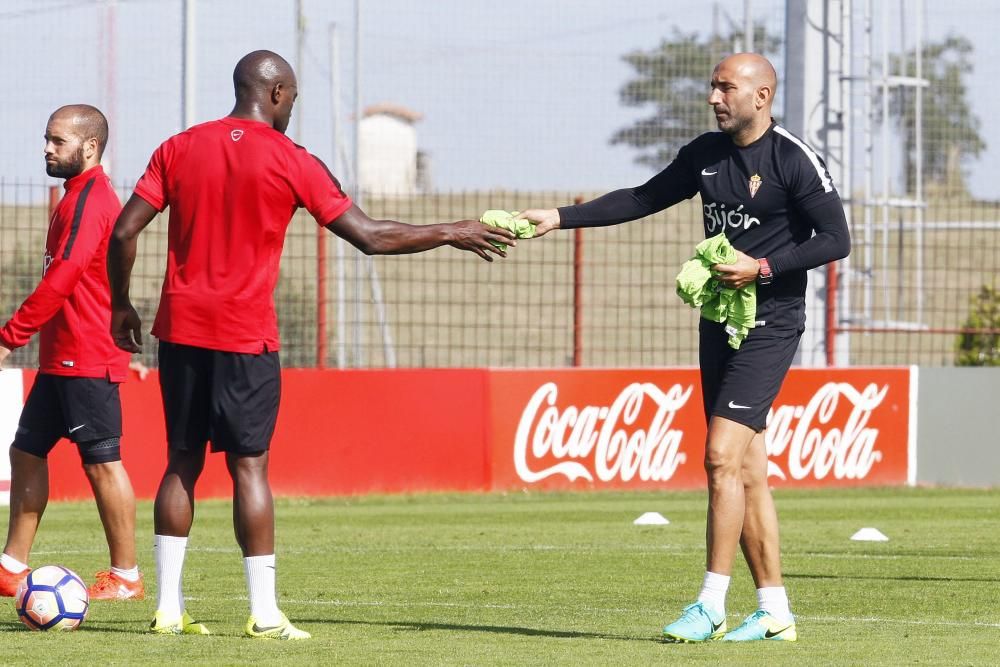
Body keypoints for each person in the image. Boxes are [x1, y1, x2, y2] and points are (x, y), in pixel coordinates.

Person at [107, 50, 515, 640]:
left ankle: (169, 609)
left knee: (182, 462)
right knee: (250, 468)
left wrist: (122, 304)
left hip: (182, 331)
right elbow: (370, 237)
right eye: (293, 99)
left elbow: (124, 230)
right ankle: (265, 614)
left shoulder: (179, 146)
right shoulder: (293, 160)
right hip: (246, 335)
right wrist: (451, 229)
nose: (292, 109)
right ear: (276, 94)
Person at [519, 53, 850, 643]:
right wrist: (558, 217)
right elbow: (642, 198)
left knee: (720, 456)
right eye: (713, 87)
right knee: (746, 470)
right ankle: (774, 610)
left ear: (762, 95)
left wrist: (764, 267)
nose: (714, 97)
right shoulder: (704, 154)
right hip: (718, 320)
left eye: (727, 88)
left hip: (771, 323)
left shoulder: (792, 158)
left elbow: (836, 239)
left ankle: (711, 603)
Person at [0, 105, 144, 602]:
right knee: (26, 451)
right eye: (46, 138)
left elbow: (63, 273)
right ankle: (12, 568)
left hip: (86, 354)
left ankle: (126, 576)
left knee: (102, 463)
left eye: (58, 141)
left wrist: (9, 336)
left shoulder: (93, 197)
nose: (46, 148)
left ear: (90, 147)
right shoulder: (73, 197)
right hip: (61, 356)